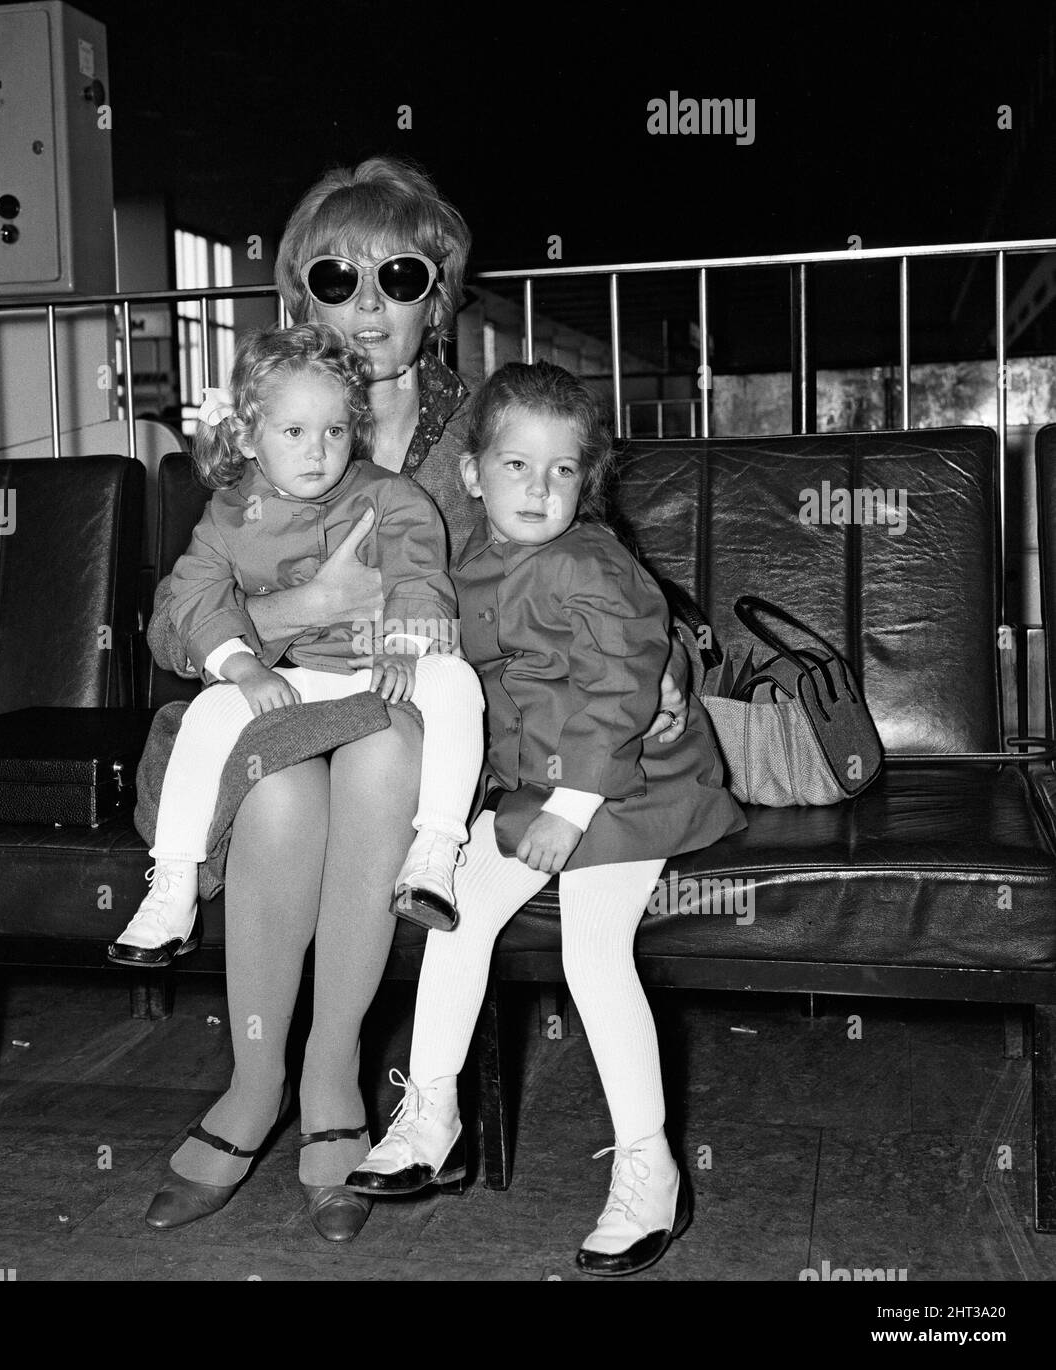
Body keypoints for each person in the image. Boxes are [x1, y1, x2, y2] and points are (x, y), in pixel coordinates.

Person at [140, 157, 692, 1245]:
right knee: (288, 785)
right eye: (333, 279)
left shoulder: (481, 433)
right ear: (300, 298)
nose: (367, 304)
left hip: (434, 730)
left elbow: (600, 565)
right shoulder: (279, 429)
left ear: (436, 297)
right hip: (278, 714)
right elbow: (173, 621)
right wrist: (307, 600)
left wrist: (669, 656)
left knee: (389, 746)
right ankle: (259, 1083)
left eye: (397, 275)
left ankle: (334, 1077)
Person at [345, 361, 746, 1277]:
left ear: (586, 481)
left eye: (562, 470)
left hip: (635, 788)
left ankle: (651, 1166)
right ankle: (433, 1116)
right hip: (532, 794)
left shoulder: (591, 563)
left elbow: (619, 690)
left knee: (590, 954)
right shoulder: (464, 566)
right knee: (451, 913)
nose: (538, 487)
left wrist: (572, 807)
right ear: (474, 475)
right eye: (516, 465)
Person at [108, 322, 484, 972]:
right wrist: (244, 666)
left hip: (386, 677)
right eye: (294, 433)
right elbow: (193, 602)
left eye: (335, 431)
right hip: (306, 678)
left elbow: (420, 575)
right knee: (206, 713)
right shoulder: (227, 516)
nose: (318, 452)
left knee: (457, 682)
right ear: (250, 437)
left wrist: (402, 646)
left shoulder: (390, 496)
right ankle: (171, 885)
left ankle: (435, 853)